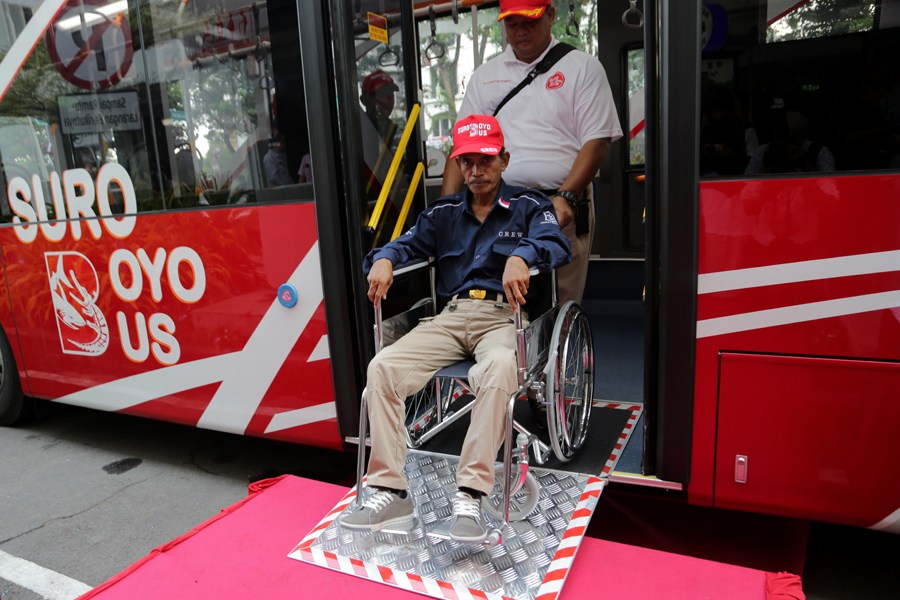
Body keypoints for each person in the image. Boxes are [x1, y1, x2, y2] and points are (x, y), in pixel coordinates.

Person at [341, 114, 571, 542]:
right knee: (382, 369)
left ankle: (471, 494)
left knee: (500, 367)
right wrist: (385, 258)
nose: (476, 171)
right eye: (467, 162)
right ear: (458, 165)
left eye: (485, 160)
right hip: (450, 316)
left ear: (503, 160)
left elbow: (555, 243)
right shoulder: (442, 213)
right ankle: (391, 492)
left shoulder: (529, 205)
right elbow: (405, 244)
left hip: (503, 316)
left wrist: (521, 255)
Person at [441, 0, 622, 305]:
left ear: (550, 16)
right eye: (512, 24)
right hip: (499, 207)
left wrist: (566, 196)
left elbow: (597, 141)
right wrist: (447, 208)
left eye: (530, 22)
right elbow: (462, 146)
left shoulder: (582, 68)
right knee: (498, 301)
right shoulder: (485, 77)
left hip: (558, 200)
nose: (520, 32)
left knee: (558, 300)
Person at [360, 69, 400, 143]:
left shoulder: (396, 132)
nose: (386, 101)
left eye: (390, 95)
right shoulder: (355, 132)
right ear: (364, 100)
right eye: (380, 95)